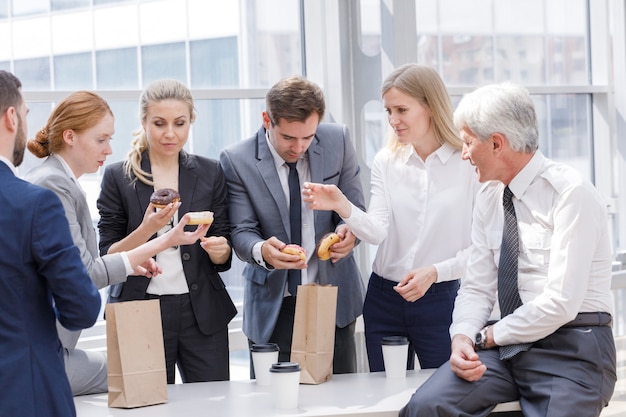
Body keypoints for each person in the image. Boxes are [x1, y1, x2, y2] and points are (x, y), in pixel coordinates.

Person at [400, 82, 617, 417]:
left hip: (572, 347)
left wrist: (487, 336)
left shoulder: (570, 194)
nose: (464, 154)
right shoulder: (489, 197)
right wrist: (462, 339)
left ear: (497, 143)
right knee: (426, 407)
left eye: (468, 142)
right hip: (504, 347)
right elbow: (476, 285)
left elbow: (561, 302)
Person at [24, 91, 210, 395]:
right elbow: (86, 272)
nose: (109, 150)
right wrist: (165, 242)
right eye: (101, 140)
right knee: (136, 370)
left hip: (48, 344)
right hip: (42, 350)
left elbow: (83, 265)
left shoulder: (56, 179)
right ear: (69, 136)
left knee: (135, 368)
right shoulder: (54, 185)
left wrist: (146, 235)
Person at [302, 64, 478, 372]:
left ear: (430, 106)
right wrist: (342, 205)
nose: (393, 121)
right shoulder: (387, 160)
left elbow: (481, 250)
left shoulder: (468, 164)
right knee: (386, 394)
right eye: (388, 111)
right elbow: (377, 231)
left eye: (401, 110)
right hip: (384, 299)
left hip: (441, 298)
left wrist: (435, 272)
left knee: (445, 393)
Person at [219, 75, 366, 374]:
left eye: (308, 137)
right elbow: (241, 230)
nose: (299, 147)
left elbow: (355, 208)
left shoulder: (338, 140)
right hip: (275, 304)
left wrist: (349, 232)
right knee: (276, 403)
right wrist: (263, 251)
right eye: (288, 138)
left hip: (332, 297)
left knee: (341, 402)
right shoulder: (237, 159)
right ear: (266, 120)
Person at [97, 79, 237, 384]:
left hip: (201, 311)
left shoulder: (210, 171)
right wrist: (151, 229)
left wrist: (220, 250)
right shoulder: (117, 177)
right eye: (159, 123)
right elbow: (108, 254)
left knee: (212, 405)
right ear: (144, 122)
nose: (170, 133)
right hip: (138, 308)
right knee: (146, 406)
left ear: (191, 122)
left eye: (180, 123)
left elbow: (225, 240)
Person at [0, 72, 101, 416]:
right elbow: (82, 307)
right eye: (26, 114)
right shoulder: (33, 203)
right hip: (23, 391)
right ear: (11, 117)